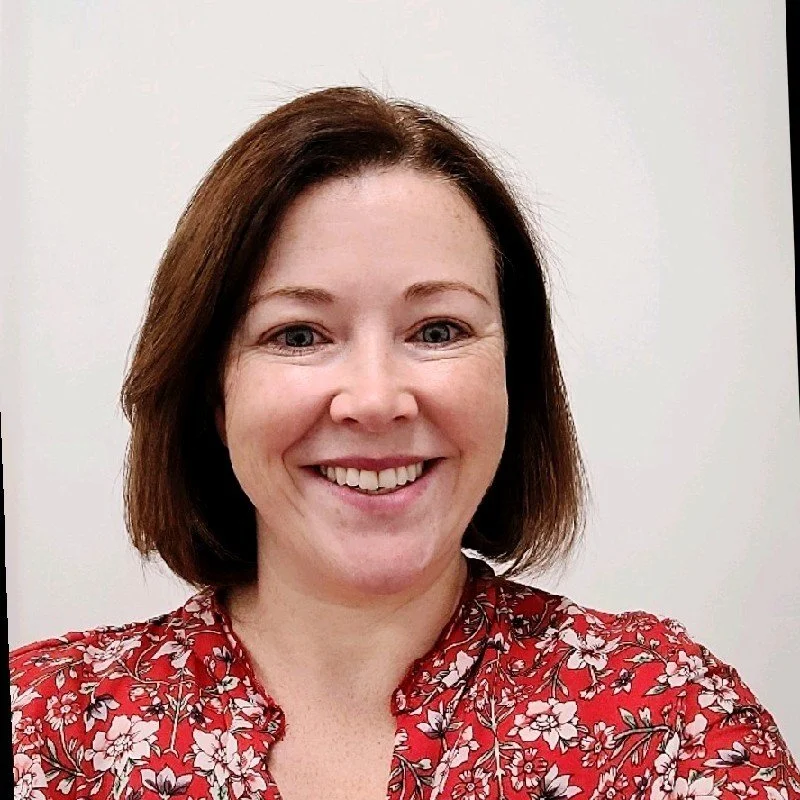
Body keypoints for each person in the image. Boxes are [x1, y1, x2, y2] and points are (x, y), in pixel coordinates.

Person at [9, 86, 798, 800]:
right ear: (213, 393)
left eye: (439, 330)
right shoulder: (40, 732)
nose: (377, 400)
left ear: (511, 377)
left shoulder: (666, 719)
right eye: (299, 334)